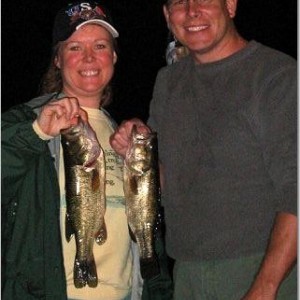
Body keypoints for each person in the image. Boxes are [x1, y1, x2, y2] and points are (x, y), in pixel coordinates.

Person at [110, 0, 297, 299]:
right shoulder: (168, 82)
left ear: (231, 5)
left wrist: (265, 287)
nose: (192, 11)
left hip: (262, 266)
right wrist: (137, 150)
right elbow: (169, 182)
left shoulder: (277, 75)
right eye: (180, 3)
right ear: (167, 15)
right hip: (186, 273)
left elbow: (296, 191)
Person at [1, 1, 173, 300]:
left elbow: (151, 224)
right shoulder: (24, 122)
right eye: (75, 48)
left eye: (100, 46)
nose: (89, 57)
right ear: (58, 59)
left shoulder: (128, 136)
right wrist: (36, 132)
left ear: (115, 56)